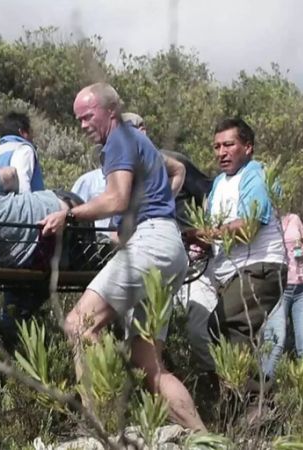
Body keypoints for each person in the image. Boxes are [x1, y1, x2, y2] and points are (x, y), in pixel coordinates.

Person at [39, 83, 206, 431]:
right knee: (148, 363)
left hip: (149, 244)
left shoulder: (118, 140)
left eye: (87, 116)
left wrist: (68, 215)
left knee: (79, 324)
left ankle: (103, 427)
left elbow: (115, 199)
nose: (83, 125)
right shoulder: (137, 140)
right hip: (167, 244)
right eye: (78, 119)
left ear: (110, 111)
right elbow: (177, 169)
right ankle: (204, 438)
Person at [201, 119, 286, 362]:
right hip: (234, 272)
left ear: (247, 147)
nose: (221, 152)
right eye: (217, 147)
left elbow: (248, 228)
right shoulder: (219, 182)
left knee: (227, 326)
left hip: (259, 266)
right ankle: (245, 397)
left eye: (229, 145)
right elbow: (216, 229)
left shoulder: (256, 174)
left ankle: (249, 399)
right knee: (226, 332)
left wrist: (207, 233)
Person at [261, 213, 303, 379]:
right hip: (278, 287)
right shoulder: (262, 220)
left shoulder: (294, 218)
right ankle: (264, 395)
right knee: (274, 341)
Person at [0, 111, 45, 193]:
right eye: (30, 132)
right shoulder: (23, 149)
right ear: (22, 132)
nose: (32, 137)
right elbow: (22, 186)